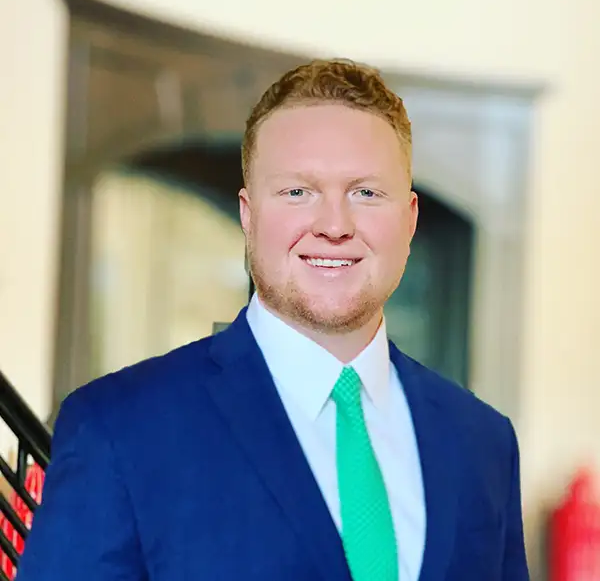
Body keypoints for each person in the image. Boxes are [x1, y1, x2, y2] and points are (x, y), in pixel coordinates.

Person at [17, 59, 529, 581]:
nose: (334, 225)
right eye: (298, 192)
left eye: (366, 193)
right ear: (248, 214)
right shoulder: (117, 429)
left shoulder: (484, 444)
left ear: (410, 218)